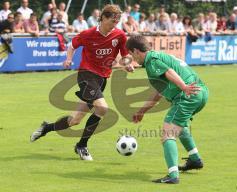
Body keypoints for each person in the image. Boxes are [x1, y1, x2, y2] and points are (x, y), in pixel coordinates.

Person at [30, 4, 133, 161]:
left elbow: (125, 55)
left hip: (102, 78)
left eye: (117, 21)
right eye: (113, 20)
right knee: (102, 108)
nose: (116, 23)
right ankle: (82, 145)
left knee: (74, 120)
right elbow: (72, 45)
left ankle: (46, 127)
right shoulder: (88, 33)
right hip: (86, 75)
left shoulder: (119, 35)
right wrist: (69, 59)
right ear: (103, 18)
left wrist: (127, 64)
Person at [126, 35, 208, 184]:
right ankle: (195, 159)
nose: (133, 58)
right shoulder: (156, 57)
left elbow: (170, 72)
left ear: (137, 51)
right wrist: (142, 111)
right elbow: (159, 92)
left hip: (187, 95)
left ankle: (173, 175)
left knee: (167, 134)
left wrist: (183, 87)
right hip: (200, 93)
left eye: (132, 54)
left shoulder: (152, 61)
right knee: (179, 126)